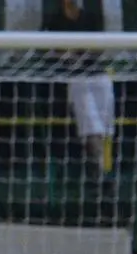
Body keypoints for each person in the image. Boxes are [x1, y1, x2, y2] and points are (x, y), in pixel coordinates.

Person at [42, 0, 114, 182]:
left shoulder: (91, 18)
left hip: (97, 74)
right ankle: (98, 170)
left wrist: (81, 53)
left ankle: (99, 165)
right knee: (90, 122)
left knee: (104, 125)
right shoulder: (54, 21)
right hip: (75, 78)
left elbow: (99, 47)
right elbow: (48, 50)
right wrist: (67, 55)